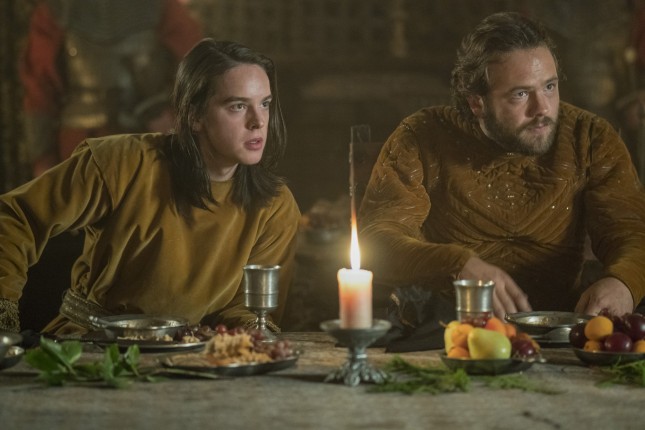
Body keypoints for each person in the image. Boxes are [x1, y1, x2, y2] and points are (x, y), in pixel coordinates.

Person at [0, 39, 300, 337]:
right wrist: (3, 316)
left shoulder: (274, 206)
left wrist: (253, 334)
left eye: (264, 104)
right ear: (194, 115)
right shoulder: (122, 162)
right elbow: (15, 217)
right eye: (238, 106)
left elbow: (246, 310)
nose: (258, 122)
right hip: (89, 346)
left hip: (190, 355)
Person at [359, 12, 645, 321]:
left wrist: (623, 283)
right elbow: (377, 241)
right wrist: (456, 264)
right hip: (449, 328)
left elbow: (630, 233)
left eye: (549, 87)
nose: (543, 108)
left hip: (560, 326)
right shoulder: (421, 136)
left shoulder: (589, 137)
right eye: (520, 94)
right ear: (476, 103)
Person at [20, 0, 203, 177]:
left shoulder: (162, 6)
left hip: (149, 139)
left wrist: (170, 119)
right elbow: (39, 87)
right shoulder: (57, 9)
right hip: (80, 142)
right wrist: (43, 160)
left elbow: (197, 72)